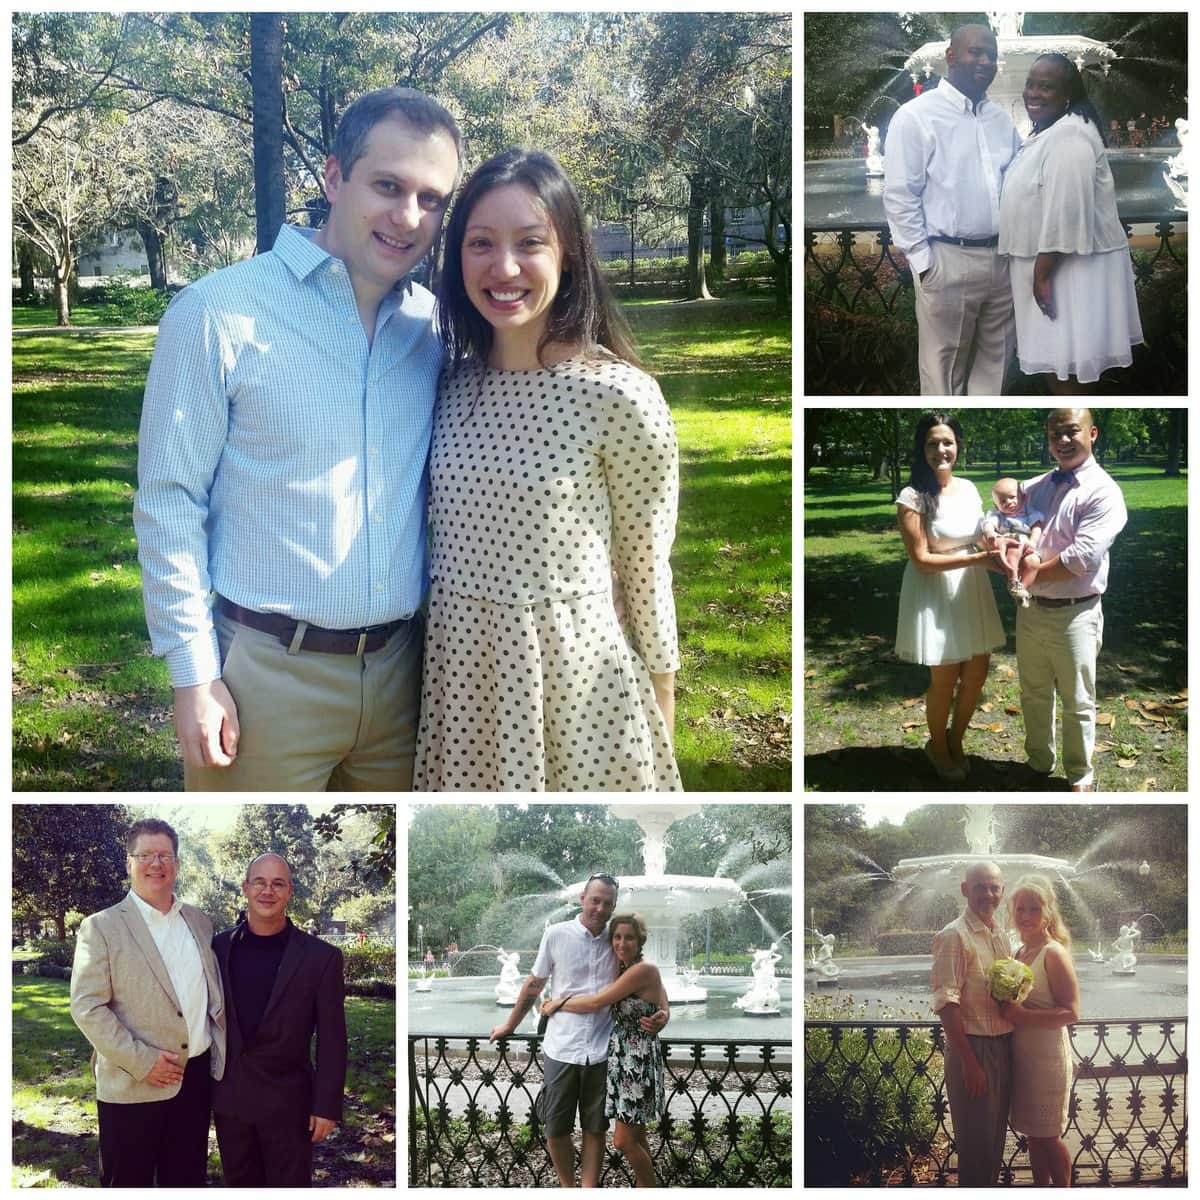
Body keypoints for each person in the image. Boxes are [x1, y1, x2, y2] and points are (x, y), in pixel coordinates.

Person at [133, 87, 463, 791]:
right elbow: (169, 501)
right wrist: (193, 675)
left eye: (432, 198)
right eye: (388, 185)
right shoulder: (217, 313)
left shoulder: (434, 330)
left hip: (405, 677)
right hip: (262, 682)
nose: (408, 217)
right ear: (335, 176)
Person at [415, 148, 681, 791]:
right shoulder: (445, 381)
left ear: (567, 253)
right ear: (457, 259)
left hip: (576, 681)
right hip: (461, 673)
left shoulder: (618, 395)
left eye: (529, 242)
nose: (503, 267)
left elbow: (645, 567)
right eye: (480, 243)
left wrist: (662, 711)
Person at [70, 819, 226, 1186]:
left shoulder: (200, 922)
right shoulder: (101, 927)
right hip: (132, 1084)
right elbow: (86, 1007)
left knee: (186, 1180)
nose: (156, 864)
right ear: (129, 863)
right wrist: (143, 1062)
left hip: (195, 1082)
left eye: (165, 855)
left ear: (177, 863)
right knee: (128, 1182)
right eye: (146, 855)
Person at [488, 874, 668, 1188]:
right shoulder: (556, 934)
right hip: (562, 1046)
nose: (599, 907)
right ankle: (568, 1188)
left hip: (603, 1050)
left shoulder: (617, 939)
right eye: (595, 900)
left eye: (607, 903)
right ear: (582, 898)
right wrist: (509, 1025)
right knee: (555, 1128)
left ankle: (588, 1190)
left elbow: (651, 982)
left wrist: (664, 1014)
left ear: (613, 906)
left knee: (594, 1128)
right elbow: (534, 984)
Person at [883, 24, 1023, 394]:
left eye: (991, 54)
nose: (985, 61)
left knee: (996, 369)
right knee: (943, 373)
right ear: (950, 56)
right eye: (975, 52)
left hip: (1003, 258)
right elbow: (900, 194)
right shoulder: (916, 117)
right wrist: (923, 261)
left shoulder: (1001, 120)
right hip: (948, 259)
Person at [998, 55, 1143, 394]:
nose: (1033, 92)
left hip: (1066, 272)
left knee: (1066, 364)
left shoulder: (1070, 135)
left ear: (1068, 94)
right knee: (1057, 361)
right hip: (1054, 267)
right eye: (1030, 84)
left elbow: (1066, 209)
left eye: (1046, 86)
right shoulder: (1056, 130)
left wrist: (1043, 274)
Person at [211, 853, 348, 1186]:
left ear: (290, 892)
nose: (267, 891)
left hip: (290, 1105)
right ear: (245, 888)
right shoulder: (216, 948)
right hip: (232, 1102)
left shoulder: (321, 958)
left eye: (277, 884)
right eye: (259, 882)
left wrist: (326, 1105)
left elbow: (332, 1039)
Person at [1011, 408, 1127, 791]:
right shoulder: (1036, 486)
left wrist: (1029, 571)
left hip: (1076, 614)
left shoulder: (1104, 491)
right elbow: (1004, 516)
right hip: (1030, 611)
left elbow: (1081, 559)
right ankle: (1039, 762)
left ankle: (1080, 775)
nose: (1062, 440)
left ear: (1092, 433)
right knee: (1033, 692)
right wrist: (998, 542)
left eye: (1071, 432)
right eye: (1054, 434)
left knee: (1078, 700)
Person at [896, 413, 1005, 783]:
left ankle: (956, 740)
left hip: (971, 589)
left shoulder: (970, 487)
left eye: (947, 442)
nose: (940, 450)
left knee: (976, 675)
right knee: (945, 679)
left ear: (957, 446)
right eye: (932, 443)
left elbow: (980, 530)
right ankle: (937, 747)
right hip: (936, 591)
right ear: (921, 449)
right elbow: (922, 560)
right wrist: (978, 558)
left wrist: (994, 540)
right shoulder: (912, 497)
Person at [540, 913, 667, 1188]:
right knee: (638, 1136)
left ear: (640, 940)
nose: (622, 943)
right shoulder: (625, 968)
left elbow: (596, 1002)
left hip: (637, 1060)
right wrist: (665, 1013)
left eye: (629, 938)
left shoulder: (641, 970)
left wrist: (557, 1003)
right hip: (622, 1060)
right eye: (617, 937)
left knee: (623, 1140)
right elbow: (660, 992)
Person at [931, 862, 1014, 1187]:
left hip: (1004, 1046)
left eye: (994, 887)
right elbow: (946, 1003)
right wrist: (969, 1062)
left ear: (1002, 892)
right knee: (976, 1146)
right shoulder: (954, 935)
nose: (988, 894)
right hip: (974, 1048)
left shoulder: (999, 935)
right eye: (980, 887)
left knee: (994, 1143)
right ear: (965, 890)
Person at [999, 875, 1079, 1187]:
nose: (1026, 916)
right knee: (1034, 1136)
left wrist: (1021, 1016)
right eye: (1020, 909)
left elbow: (1072, 1012)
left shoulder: (1053, 953)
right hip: (1024, 1058)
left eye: (1034, 908)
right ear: (1012, 913)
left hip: (1047, 1060)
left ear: (1047, 913)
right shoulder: (1018, 953)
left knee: (1047, 1137)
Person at [980, 477, 1045, 606]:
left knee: (1034, 562)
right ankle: (1013, 579)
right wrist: (990, 533)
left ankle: (1021, 590)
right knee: (1015, 549)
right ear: (996, 505)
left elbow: (1036, 527)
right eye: (1002, 501)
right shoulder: (998, 515)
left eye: (1012, 497)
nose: (1008, 502)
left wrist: (1033, 542)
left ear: (1022, 498)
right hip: (1010, 545)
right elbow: (988, 524)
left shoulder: (1028, 511)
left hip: (1027, 546)